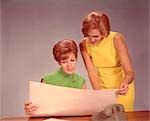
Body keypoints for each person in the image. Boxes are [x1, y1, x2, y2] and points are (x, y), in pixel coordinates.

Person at [79, 11, 135, 111]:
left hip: (122, 87)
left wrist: (126, 82)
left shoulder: (116, 39)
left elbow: (129, 72)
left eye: (95, 36)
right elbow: (92, 74)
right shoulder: (83, 44)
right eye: (88, 36)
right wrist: (100, 95)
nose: (91, 40)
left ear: (104, 32)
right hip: (102, 88)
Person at [24, 39, 86, 116]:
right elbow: (40, 108)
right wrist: (31, 109)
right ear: (59, 62)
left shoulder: (81, 81)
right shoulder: (47, 81)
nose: (69, 66)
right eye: (64, 62)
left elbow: (83, 109)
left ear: (76, 59)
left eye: (72, 60)